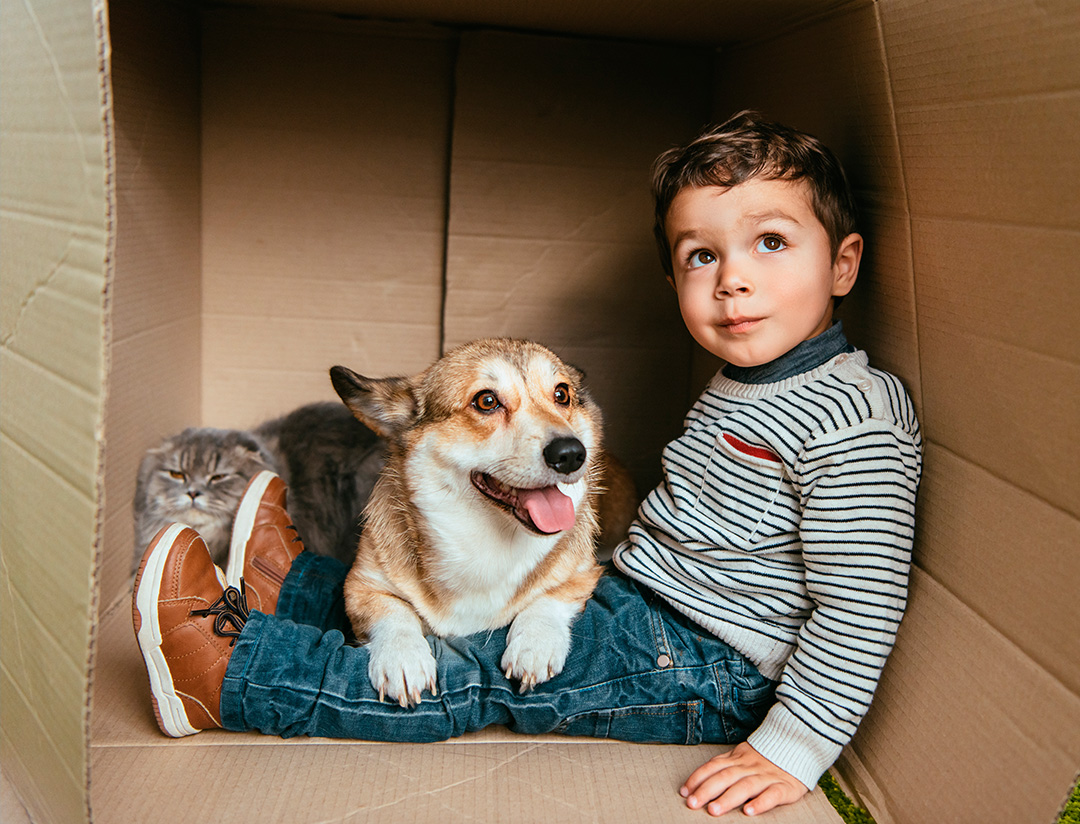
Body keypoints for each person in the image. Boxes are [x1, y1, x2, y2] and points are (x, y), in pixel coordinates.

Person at [133, 111, 922, 817]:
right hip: (639, 602)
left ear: (844, 265)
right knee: (461, 612)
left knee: (472, 675)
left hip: (711, 665)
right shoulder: (748, 379)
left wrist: (794, 746)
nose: (733, 280)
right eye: (700, 257)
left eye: (771, 243)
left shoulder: (856, 416)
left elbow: (862, 607)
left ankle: (238, 681)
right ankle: (290, 585)